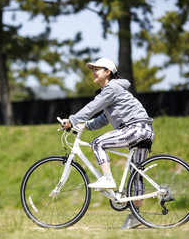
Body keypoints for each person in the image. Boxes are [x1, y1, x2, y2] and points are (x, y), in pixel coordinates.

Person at [61, 58, 155, 229]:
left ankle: (107, 178)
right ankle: (136, 217)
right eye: (92, 70)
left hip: (135, 128)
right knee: (137, 175)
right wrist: (84, 125)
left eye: (97, 69)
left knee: (98, 143)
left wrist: (72, 120)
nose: (93, 73)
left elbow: (93, 106)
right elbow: (103, 119)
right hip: (145, 130)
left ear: (107, 72)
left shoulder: (111, 88)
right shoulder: (114, 92)